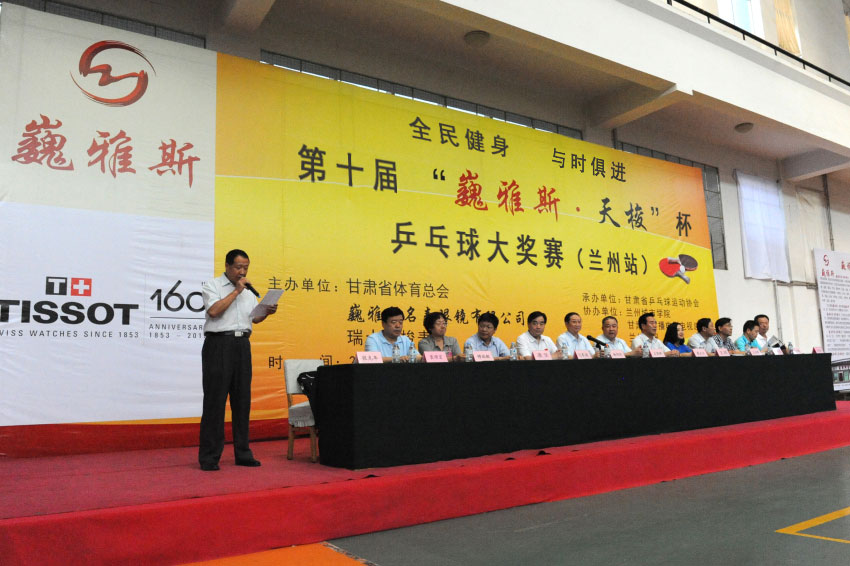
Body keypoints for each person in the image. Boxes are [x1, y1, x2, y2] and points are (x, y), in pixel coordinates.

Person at [199, 249, 277, 472]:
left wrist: (267, 312)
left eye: (246, 268)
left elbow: (254, 318)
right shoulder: (212, 286)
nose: (242, 272)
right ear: (227, 266)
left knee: (242, 401)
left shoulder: (248, 291)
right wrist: (236, 291)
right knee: (215, 402)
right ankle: (209, 457)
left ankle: (243, 453)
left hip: (242, 345)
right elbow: (214, 311)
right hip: (218, 345)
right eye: (238, 267)